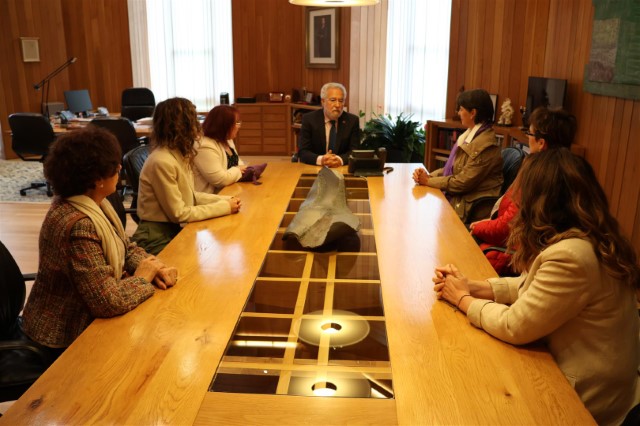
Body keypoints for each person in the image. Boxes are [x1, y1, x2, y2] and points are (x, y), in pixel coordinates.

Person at [433, 148, 640, 425]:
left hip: (587, 401)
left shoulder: (572, 256)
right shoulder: (590, 237)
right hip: (611, 384)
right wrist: (470, 286)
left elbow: (515, 326)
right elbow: (531, 286)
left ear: (541, 201)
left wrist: (462, 299)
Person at [21, 127, 178, 360]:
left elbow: (125, 246)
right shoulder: (78, 224)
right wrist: (143, 277)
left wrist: (154, 266)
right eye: (114, 165)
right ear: (95, 179)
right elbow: (107, 302)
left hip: (87, 315)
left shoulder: (93, 203)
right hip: (64, 333)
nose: (120, 168)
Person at [469, 107, 577, 275]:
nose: (527, 137)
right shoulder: (573, 170)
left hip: (514, 258)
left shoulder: (535, 175)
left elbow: (507, 228)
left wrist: (478, 227)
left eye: (530, 133)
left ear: (541, 143)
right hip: (538, 261)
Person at [132, 97, 241, 255]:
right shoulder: (162, 161)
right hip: (156, 237)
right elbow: (180, 213)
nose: (198, 126)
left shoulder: (178, 154)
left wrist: (225, 200)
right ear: (183, 125)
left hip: (173, 230)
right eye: (194, 120)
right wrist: (224, 207)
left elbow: (189, 196)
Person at [413, 89, 503, 222]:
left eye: (461, 109)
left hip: (471, 208)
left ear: (473, 113)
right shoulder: (469, 136)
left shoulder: (485, 146)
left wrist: (427, 181)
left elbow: (462, 183)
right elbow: (454, 169)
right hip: (462, 200)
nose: (459, 113)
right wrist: (428, 176)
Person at [298, 82, 361, 168]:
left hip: (341, 169)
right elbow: (303, 152)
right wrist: (322, 159)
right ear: (323, 101)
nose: (337, 105)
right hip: (315, 169)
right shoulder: (309, 120)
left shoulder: (352, 121)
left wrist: (339, 159)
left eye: (341, 100)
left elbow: (354, 151)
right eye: (333, 100)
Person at [193, 105, 247, 193]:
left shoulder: (227, 140)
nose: (239, 126)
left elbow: (239, 163)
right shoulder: (204, 146)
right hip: (211, 197)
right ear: (224, 125)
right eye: (236, 122)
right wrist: (237, 170)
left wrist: (237, 170)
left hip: (231, 188)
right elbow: (220, 180)